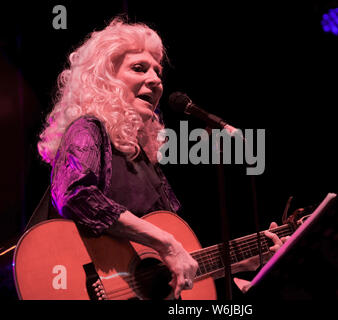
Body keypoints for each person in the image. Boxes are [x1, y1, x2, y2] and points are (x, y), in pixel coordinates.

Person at [37, 17, 287, 300]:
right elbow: (75, 193)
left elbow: (162, 272)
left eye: (158, 72)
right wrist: (168, 243)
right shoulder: (88, 128)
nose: (155, 80)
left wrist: (247, 261)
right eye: (139, 68)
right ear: (104, 79)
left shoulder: (145, 161)